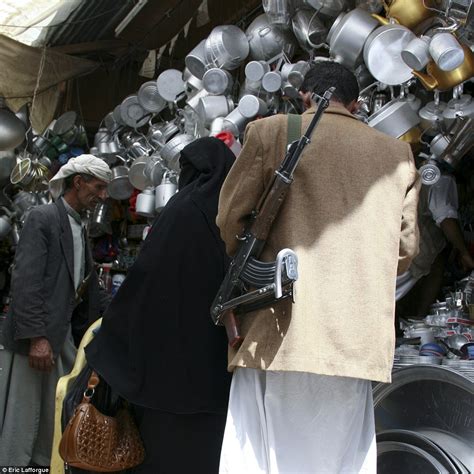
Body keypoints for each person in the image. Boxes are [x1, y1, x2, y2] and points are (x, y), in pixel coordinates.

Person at [216, 62, 420, 474]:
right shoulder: (397, 153)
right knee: (340, 460)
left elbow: (229, 221)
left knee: (260, 456)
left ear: (303, 97)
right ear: (358, 105)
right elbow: (404, 250)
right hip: (354, 339)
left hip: (277, 331)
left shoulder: (270, 132)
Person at [85, 137, 235, 474]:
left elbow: (146, 279)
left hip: (164, 375)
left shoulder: (182, 210)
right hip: (213, 371)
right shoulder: (235, 216)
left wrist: (108, 342)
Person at [0, 154, 111, 466]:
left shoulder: (79, 225)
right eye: (98, 187)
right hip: (36, 338)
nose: (103, 195)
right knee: (24, 413)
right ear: (78, 182)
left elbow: (84, 286)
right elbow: (26, 281)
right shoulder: (43, 217)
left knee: (54, 410)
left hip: (59, 334)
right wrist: (37, 338)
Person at [396, 171, 474, 317]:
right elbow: (446, 218)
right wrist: (464, 252)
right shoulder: (442, 179)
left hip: (411, 257)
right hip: (407, 254)